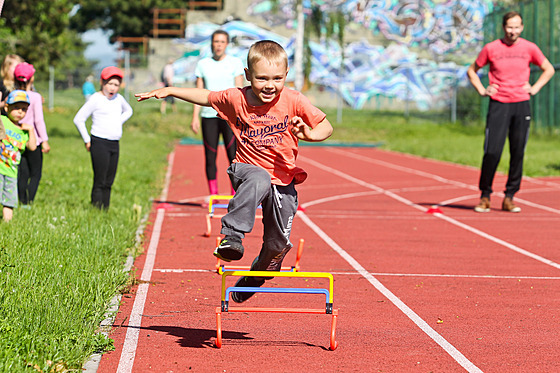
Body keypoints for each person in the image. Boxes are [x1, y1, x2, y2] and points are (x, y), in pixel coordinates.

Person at [136, 40, 333, 303]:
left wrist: (308, 134)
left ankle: (256, 276)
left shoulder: (294, 100)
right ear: (248, 75)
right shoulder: (235, 98)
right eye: (262, 78)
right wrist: (170, 90)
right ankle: (232, 237)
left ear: (286, 75)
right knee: (259, 177)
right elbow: (205, 96)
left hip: (283, 179)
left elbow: (326, 127)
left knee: (277, 246)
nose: (269, 85)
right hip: (247, 169)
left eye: (277, 79)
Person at [467, 11, 554, 213]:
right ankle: (485, 195)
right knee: (492, 151)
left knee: (518, 151)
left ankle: (509, 196)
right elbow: (472, 70)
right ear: (503, 27)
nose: (513, 31)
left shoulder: (529, 48)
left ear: (521, 28)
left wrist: (535, 87)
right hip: (499, 103)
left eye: (516, 27)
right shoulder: (491, 48)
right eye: (509, 27)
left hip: (521, 104)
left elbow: (548, 68)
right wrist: (482, 90)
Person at [191, 30, 244, 196]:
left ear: (227, 44)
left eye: (222, 42)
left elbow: (239, 92)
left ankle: (235, 193)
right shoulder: (203, 64)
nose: (218, 45)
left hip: (229, 117)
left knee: (233, 157)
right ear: (211, 43)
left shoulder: (235, 63)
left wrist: (241, 116)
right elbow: (198, 92)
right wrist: (195, 117)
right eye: (216, 41)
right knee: (210, 156)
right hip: (208, 116)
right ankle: (213, 195)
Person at [73, 66, 133, 210]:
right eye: (110, 84)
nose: (113, 88)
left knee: (109, 180)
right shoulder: (96, 99)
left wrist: (119, 121)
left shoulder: (119, 99)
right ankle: (96, 209)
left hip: (114, 143)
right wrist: (87, 140)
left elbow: (129, 110)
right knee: (100, 179)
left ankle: (105, 210)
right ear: (102, 83)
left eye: (116, 85)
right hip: (99, 142)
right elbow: (79, 119)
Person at [13, 62, 50, 206]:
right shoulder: (35, 97)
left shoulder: (13, 95)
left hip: (18, 139)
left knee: (22, 173)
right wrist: (45, 140)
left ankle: (21, 201)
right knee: (35, 174)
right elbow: (39, 120)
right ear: (32, 79)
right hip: (35, 140)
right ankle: (29, 202)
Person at [0, 90, 37, 221]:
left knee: (9, 201)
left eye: (24, 109)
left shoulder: (24, 131)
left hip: (12, 171)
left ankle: (7, 223)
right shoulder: (3, 120)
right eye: (16, 108)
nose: (20, 111)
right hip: (0, 168)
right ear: (6, 107)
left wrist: (31, 130)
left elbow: (32, 147)